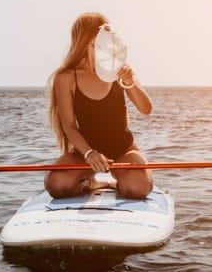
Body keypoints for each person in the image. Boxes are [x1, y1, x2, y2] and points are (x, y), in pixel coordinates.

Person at [44, 12, 153, 199]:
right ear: (85, 43)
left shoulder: (119, 70)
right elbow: (69, 126)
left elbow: (146, 109)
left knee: (136, 189)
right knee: (56, 185)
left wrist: (131, 81)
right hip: (84, 153)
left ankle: (120, 181)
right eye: (101, 43)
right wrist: (89, 153)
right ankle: (95, 182)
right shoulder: (66, 78)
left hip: (124, 151)